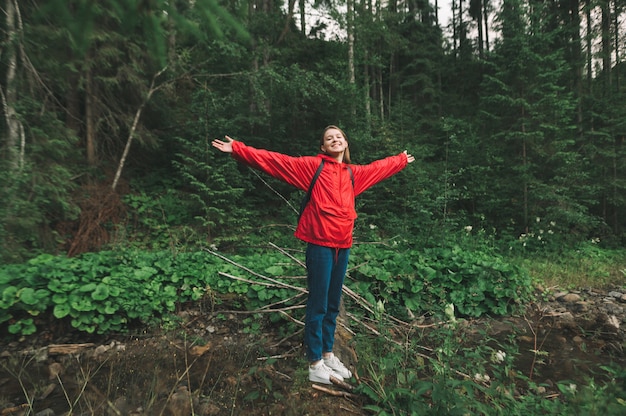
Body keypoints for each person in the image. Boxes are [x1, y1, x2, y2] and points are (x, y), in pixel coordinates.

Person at [212, 126, 414, 384]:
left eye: (338, 136)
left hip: (344, 245)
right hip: (319, 244)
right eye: (329, 138)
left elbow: (378, 168)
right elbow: (276, 161)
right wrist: (239, 149)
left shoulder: (354, 174)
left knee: (332, 303)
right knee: (318, 304)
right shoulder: (312, 168)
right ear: (323, 147)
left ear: (345, 142)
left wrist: (399, 160)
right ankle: (315, 364)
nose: (334, 139)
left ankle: (328, 355)